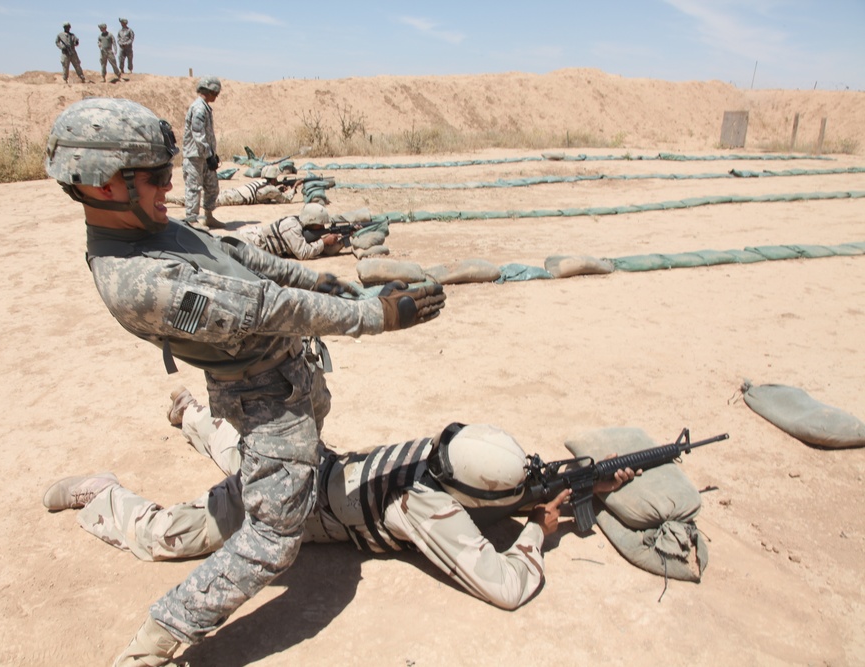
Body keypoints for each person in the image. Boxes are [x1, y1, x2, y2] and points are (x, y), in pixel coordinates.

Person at [43, 97, 446, 666]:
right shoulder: (136, 280)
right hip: (264, 400)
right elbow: (264, 307)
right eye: (157, 177)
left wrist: (324, 283)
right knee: (273, 539)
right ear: (106, 185)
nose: (171, 187)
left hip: (285, 383)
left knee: (253, 497)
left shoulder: (152, 228)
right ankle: (153, 639)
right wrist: (376, 315)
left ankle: (193, 425)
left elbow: (238, 257)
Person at [43, 390, 640, 615]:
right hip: (289, 507)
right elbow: (508, 588)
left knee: (246, 456)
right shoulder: (428, 510)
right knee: (171, 537)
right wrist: (539, 530)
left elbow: (512, 480)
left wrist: (588, 483)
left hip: (315, 465)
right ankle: (106, 496)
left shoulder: (452, 454)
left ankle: (194, 414)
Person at [237, 202, 344, 260]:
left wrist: (343, 238)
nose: (322, 228)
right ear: (311, 221)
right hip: (245, 241)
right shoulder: (292, 227)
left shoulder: (303, 225)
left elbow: (317, 248)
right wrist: (324, 241)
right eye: (320, 225)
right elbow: (303, 253)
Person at [183, 76, 223, 228]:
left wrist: (211, 154)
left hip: (205, 156)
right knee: (194, 188)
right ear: (208, 91)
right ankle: (192, 220)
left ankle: (208, 216)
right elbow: (198, 134)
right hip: (195, 156)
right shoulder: (199, 108)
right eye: (215, 92)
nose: (216, 96)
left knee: (212, 187)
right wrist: (208, 155)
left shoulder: (204, 107)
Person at [215, 165, 299, 206]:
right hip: (233, 198)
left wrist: (278, 190)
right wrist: (294, 187)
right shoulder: (270, 189)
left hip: (231, 192)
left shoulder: (261, 182)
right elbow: (287, 200)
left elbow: (264, 195)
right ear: (273, 179)